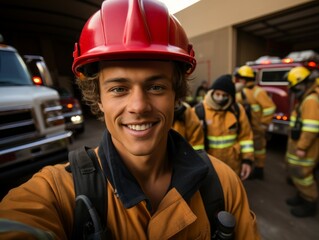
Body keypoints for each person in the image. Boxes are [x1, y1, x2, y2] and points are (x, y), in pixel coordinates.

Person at [0, 0, 260, 239]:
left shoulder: (223, 183)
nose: (138, 106)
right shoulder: (58, 191)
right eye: (119, 89)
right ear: (99, 99)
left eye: (156, 87)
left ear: (176, 95)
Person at [194, 74, 255, 180]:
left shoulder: (237, 110)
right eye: (217, 94)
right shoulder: (198, 111)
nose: (220, 98)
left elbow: (246, 138)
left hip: (233, 167)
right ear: (211, 92)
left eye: (224, 95)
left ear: (231, 96)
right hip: (209, 169)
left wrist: (247, 160)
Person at [285, 66, 319, 217]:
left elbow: (311, 128)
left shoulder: (311, 101)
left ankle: (309, 202)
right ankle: (301, 196)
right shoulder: (306, 99)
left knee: (305, 176)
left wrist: (302, 146)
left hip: (305, 149)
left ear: (303, 84)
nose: (294, 91)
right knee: (298, 175)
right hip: (298, 146)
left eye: (295, 88)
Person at [233, 65, 276, 180]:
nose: (239, 80)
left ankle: (259, 170)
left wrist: (263, 123)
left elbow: (270, 108)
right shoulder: (240, 91)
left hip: (257, 127)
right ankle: (247, 167)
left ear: (245, 78)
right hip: (245, 127)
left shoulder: (258, 92)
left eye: (241, 78)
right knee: (247, 148)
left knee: (259, 148)